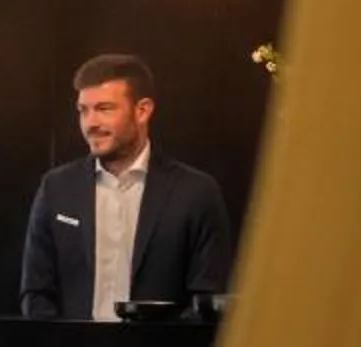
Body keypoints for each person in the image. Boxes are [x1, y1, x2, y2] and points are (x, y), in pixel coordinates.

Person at [18, 53, 235, 320]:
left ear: (142, 110)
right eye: (83, 110)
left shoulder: (195, 192)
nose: (91, 123)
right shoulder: (57, 188)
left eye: (104, 108)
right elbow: (36, 292)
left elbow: (207, 299)